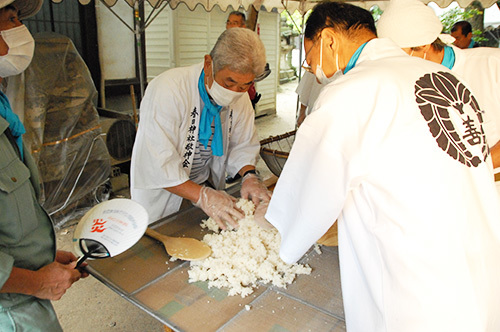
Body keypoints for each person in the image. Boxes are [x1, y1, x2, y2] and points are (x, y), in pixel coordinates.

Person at [264, 2, 500, 331]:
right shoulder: (442, 77)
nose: (308, 65)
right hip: (481, 266)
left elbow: (307, 195)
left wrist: (272, 230)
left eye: (309, 52)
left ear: (329, 39)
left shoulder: (353, 90)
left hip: (419, 288)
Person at [0, 1, 86, 331]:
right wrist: (36, 282)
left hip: (23, 295)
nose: (20, 28)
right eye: (11, 18)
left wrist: (42, 262)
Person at [131, 28, 271, 228]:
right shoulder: (168, 89)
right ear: (208, 64)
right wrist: (203, 196)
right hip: (164, 195)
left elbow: (242, 144)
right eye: (229, 82)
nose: (235, 92)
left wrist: (250, 176)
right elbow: (159, 163)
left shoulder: (240, 98)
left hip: (203, 186)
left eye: (244, 86)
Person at [377, 0, 500, 169]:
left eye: (398, 53)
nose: (394, 61)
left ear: (423, 44)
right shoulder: (401, 81)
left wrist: (478, 171)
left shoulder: (492, 63)